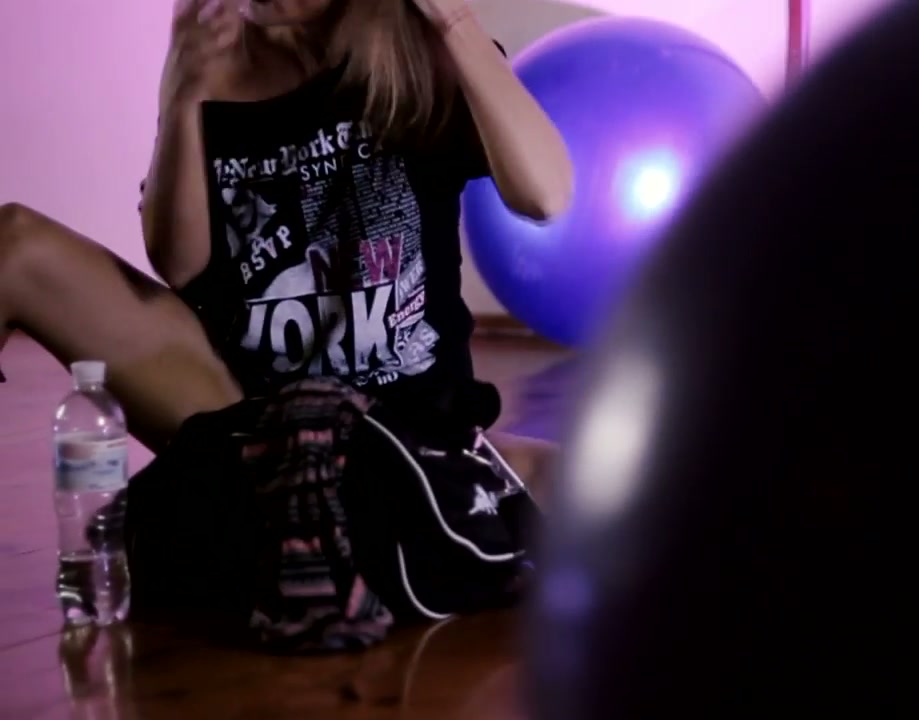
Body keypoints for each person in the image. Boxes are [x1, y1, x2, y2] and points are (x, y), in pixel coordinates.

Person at [0, 0, 570, 478]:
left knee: (583, 487)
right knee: (14, 243)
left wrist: (455, 24)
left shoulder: (420, 62)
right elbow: (180, 265)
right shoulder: (216, 62)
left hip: (408, 434)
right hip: (246, 419)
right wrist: (182, 97)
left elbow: (545, 195)